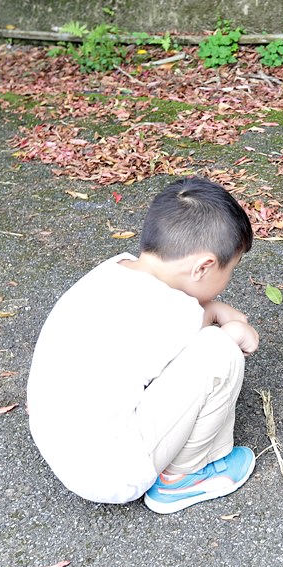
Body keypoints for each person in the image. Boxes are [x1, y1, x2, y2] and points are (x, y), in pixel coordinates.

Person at [27, 176, 259, 514]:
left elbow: (183, 321)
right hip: (109, 473)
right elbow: (200, 345)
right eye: (231, 270)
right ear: (204, 266)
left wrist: (215, 309)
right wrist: (235, 331)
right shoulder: (174, 312)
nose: (227, 281)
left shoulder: (113, 271)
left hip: (57, 438)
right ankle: (184, 477)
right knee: (219, 352)